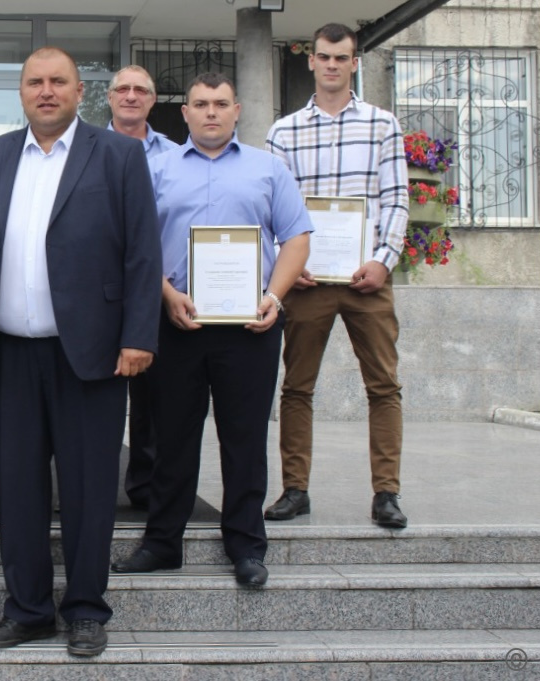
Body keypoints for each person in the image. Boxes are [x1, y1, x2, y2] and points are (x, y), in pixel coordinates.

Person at [0, 47, 162, 658]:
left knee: (90, 487)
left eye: (58, 81)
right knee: (17, 487)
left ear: (79, 91)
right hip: (9, 353)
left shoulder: (118, 155)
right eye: (35, 82)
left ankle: (86, 610)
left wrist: (139, 336)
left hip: (91, 353)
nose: (46, 91)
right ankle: (28, 609)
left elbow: (143, 252)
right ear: (21, 92)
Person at [111, 73, 312, 587]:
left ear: (237, 110)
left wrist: (273, 297)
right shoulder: (156, 169)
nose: (211, 112)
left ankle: (246, 546)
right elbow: (135, 244)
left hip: (250, 325)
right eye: (200, 104)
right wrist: (166, 294)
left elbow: (296, 238)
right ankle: (162, 543)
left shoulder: (269, 169)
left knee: (244, 438)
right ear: (185, 113)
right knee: (171, 438)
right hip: (177, 320)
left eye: (221, 103)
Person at [264, 22, 411, 529]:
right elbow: (275, 209)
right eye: (323, 56)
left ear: (354, 63)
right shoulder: (284, 132)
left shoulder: (382, 125)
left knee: (384, 386)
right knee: (297, 387)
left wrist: (383, 260)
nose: (331, 65)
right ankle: (295, 490)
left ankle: (387, 493)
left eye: (341, 57)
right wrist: (288, 261)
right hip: (307, 283)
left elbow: (396, 199)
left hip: (367, 277)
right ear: (311, 60)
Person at [106, 64, 178, 511]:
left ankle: (146, 486)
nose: (131, 96)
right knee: (94, 395)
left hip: (157, 291)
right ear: (110, 97)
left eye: (141, 90)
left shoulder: (176, 156)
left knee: (154, 397)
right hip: (98, 292)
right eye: (123, 89)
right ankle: (87, 484)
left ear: (152, 100)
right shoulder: (84, 149)